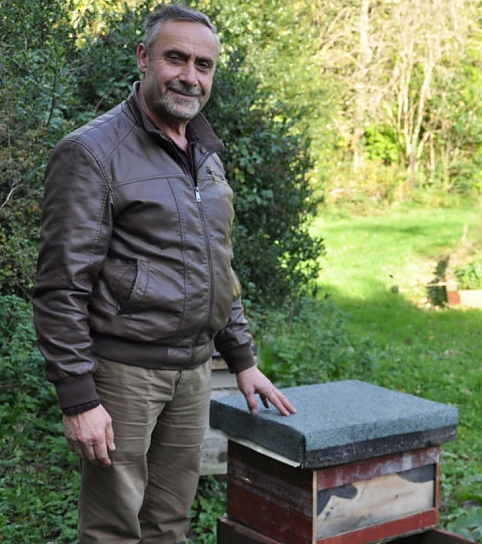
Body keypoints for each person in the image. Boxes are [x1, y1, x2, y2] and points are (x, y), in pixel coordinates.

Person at [32, 4, 295, 542]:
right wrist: (79, 399)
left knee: (169, 523)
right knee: (113, 529)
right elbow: (61, 286)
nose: (190, 76)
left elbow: (215, 262)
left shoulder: (204, 152)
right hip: (123, 374)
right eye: (176, 58)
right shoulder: (91, 152)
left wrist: (241, 359)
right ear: (144, 58)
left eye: (204, 65)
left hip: (195, 372)